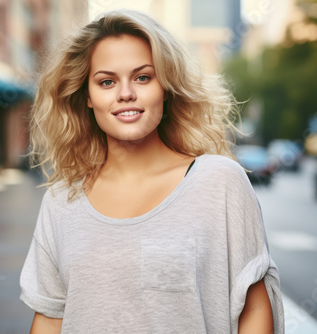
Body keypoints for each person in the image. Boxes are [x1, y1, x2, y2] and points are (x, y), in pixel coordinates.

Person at [20, 9, 284, 333]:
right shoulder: (62, 200)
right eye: (106, 81)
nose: (125, 93)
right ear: (87, 96)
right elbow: (49, 318)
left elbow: (254, 309)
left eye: (143, 77)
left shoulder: (219, 182)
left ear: (166, 87)